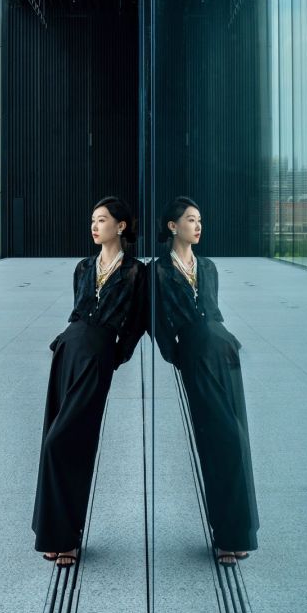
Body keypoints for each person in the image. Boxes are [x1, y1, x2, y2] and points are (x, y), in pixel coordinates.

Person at [32, 196, 148, 567]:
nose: (94, 226)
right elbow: (78, 310)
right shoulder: (84, 267)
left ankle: (67, 535)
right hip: (68, 353)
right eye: (93, 220)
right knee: (54, 436)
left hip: (98, 357)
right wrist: (62, 344)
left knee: (67, 442)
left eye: (102, 220)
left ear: (121, 226)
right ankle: (57, 535)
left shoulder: (136, 272)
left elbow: (139, 322)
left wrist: (116, 356)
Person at [152, 197, 259, 565]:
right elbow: (157, 324)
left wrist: (227, 342)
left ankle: (237, 533)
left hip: (223, 354)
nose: (198, 226)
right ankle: (225, 534)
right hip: (195, 356)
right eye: (191, 220)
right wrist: (177, 356)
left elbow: (214, 311)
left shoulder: (208, 266)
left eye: (200, 220)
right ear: (172, 225)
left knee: (236, 439)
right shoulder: (159, 270)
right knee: (218, 440)